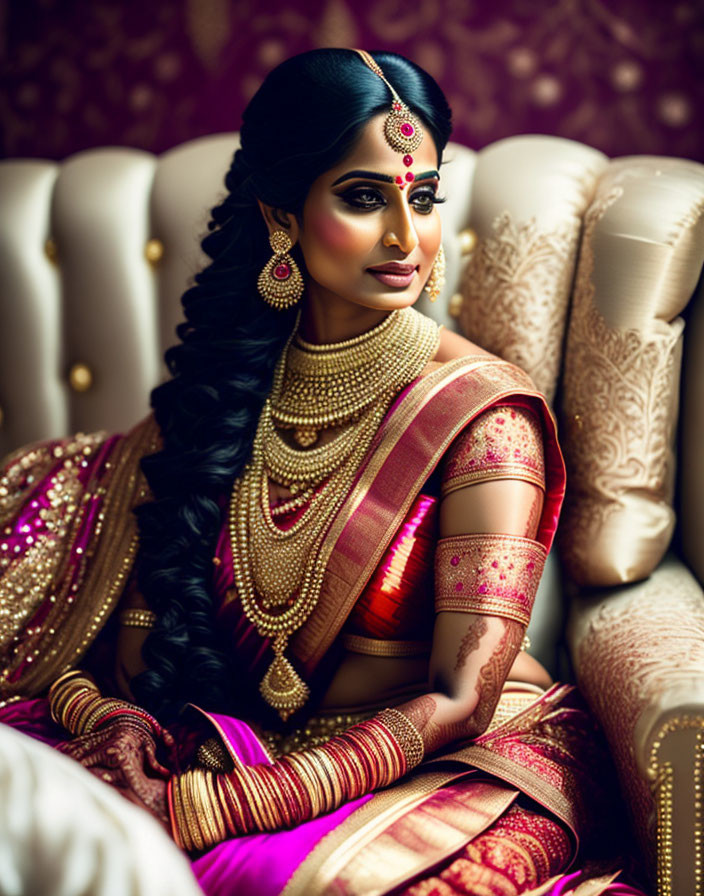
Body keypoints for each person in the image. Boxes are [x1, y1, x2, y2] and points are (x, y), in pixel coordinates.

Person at [0, 49, 645, 896]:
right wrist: (114, 724)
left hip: (446, 758)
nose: (403, 237)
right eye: (363, 196)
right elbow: (130, 646)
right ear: (282, 215)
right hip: (245, 740)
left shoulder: (485, 417)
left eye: (422, 198)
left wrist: (208, 808)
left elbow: (460, 701)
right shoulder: (228, 398)